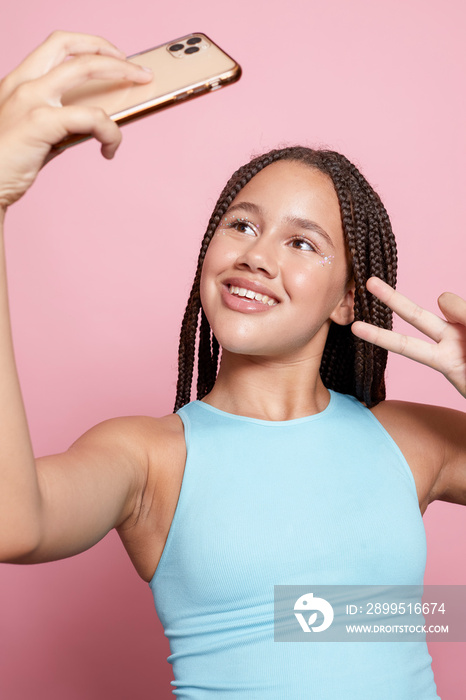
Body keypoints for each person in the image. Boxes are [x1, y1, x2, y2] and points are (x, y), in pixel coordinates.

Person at [0, 31, 465, 699]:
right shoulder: (149, 456)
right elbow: (14, 524)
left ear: (346, 300)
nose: (256, 254)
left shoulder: (411, 442)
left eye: (301, 241)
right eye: (242, 226)